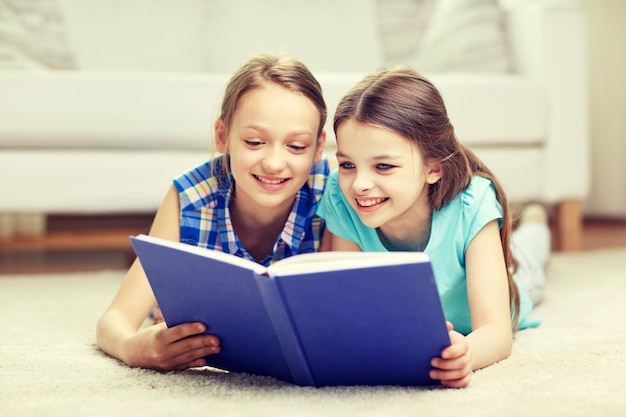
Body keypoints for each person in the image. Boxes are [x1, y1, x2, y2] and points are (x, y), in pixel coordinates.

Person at [317, 67, 550, 389]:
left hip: (515, 274)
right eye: (347, 165)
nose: (360, 184)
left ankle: (537, 222)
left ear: (434, 168)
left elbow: (497, 332)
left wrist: (465, 353)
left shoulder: (473, 203)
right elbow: (347, 307)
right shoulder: (340, 197)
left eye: (383, 166)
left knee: (531, 256)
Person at [97, 53, 330, 372]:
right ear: (223, 137)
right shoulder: (189, 198)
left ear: (318, 148)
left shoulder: (332, 197)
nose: (274, 163)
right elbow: (114, 320)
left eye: (297, 147)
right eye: (254, 141)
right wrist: (133, 348)